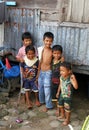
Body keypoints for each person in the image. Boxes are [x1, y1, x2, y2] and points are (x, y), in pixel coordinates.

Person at [56, 61, 78, 126]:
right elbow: (60, 84)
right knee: (60, 105)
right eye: (60, 70)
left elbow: (76, 87)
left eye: (63, 71)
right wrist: (58, 92)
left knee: (67, 109)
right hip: (62, 95)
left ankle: (67, 120)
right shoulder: (61, 77)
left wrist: (74, 78)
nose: (61, 72)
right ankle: (63, 115)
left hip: (68, 97)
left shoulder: (70, 78)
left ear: (69, 71)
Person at [37, 32, 54, 112]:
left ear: (52, 41)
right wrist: (38, 74)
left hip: (48, 72)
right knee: (40, 88)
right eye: (47, 40)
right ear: (43, 40)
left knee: (47, 89)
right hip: (41, 72)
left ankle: (48, 105)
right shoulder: (41, 50)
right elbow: (40, 62)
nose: (48, 42)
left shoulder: (52, 51)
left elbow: (58, 58)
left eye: (50, 41)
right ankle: (41, 101)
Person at [20, 45, 40, 109]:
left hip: (34, 79)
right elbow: (21, 67)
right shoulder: (24, 60)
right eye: (29, 54)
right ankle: (28, 101)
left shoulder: (36, 61)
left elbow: (38, 69)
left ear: (35, 53)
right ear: (26, 54)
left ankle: (37, 100)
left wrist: (37, 77)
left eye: (32, 54)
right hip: (26, 79)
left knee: (36, 90)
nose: (31, 56)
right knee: (26, 89)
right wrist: (23, 73)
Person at [51, 45, 64, 116]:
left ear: (61, 53)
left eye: (58, 53)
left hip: (59, 82)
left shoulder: (61, 62)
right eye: (55, 53)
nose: (56, 55)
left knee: (59, 96)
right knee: (54, 96)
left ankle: (59, 109)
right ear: (52, 53)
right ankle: (57, 107)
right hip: (52, 82)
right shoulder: (51, 61)